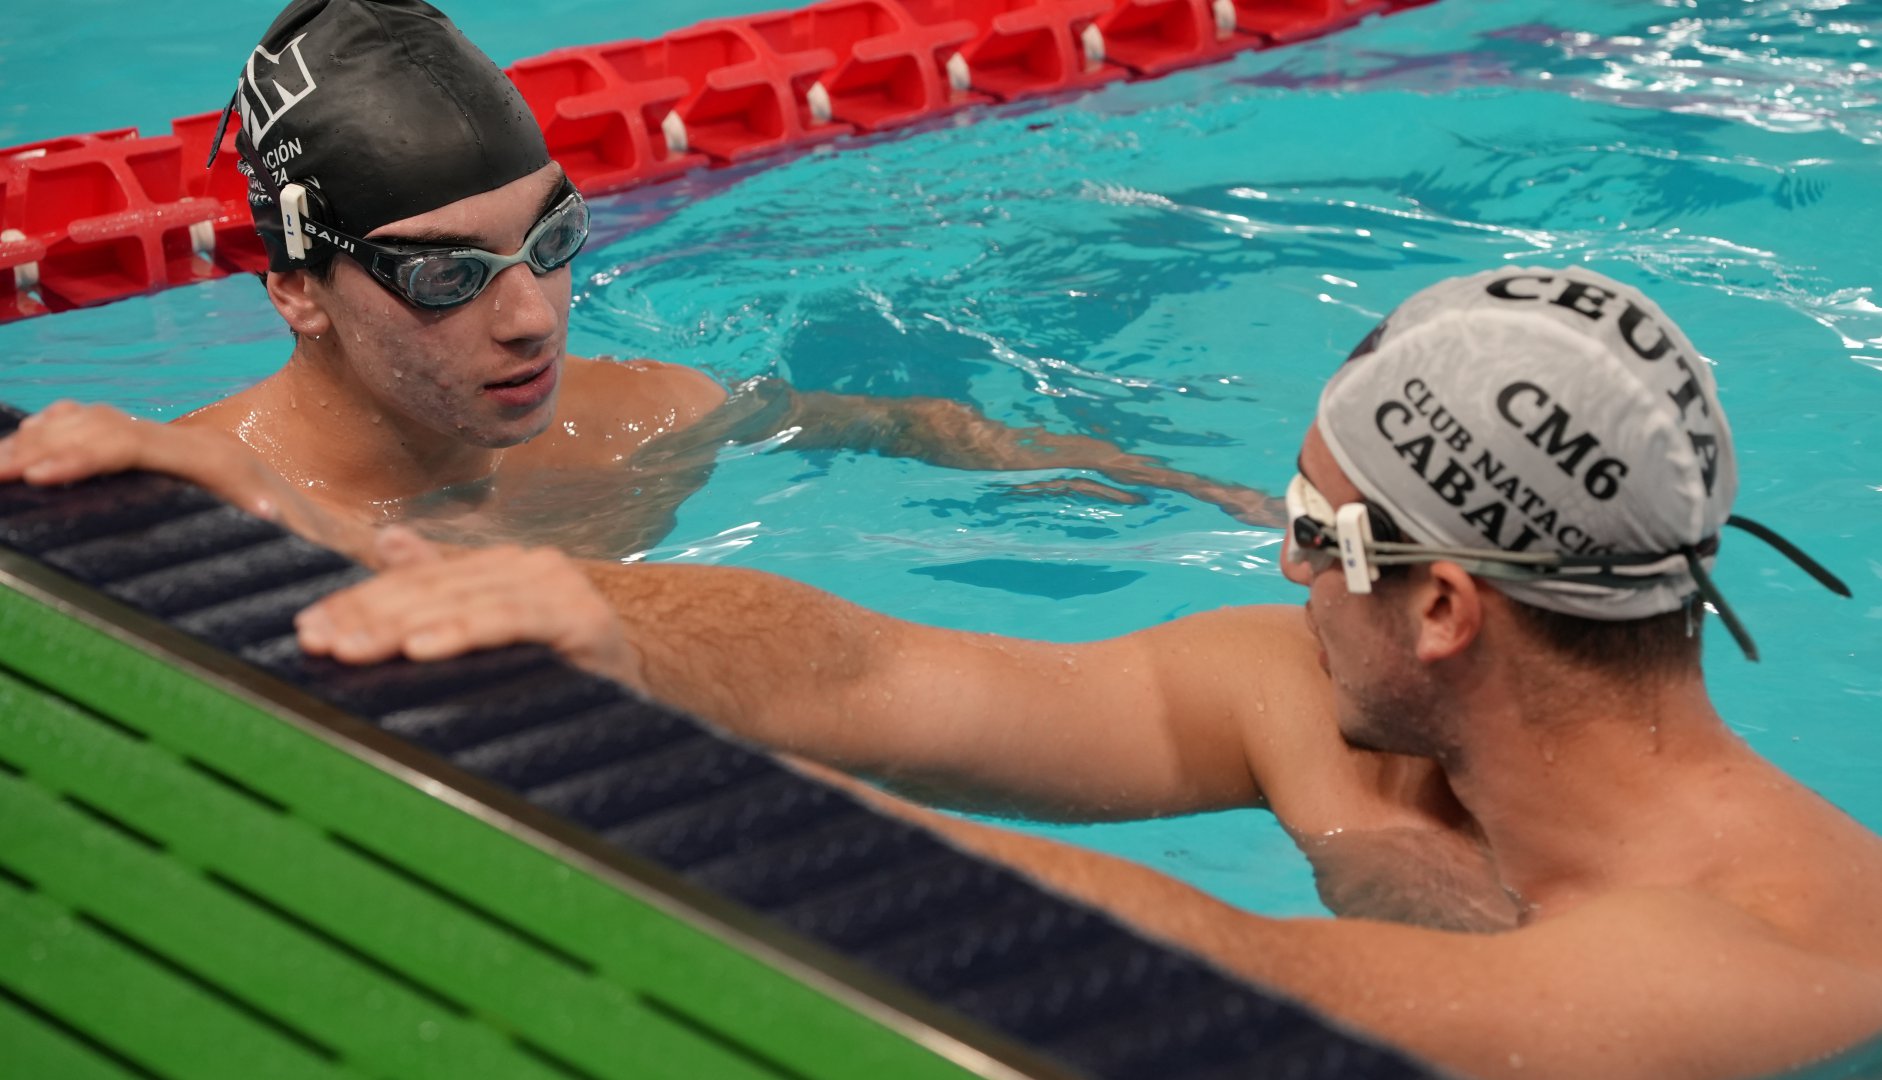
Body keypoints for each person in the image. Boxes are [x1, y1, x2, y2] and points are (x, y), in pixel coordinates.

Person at [274, 267, 1880, 1078]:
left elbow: (1237, 981)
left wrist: (666, 782)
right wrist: (580, 616)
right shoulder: (1353, 722)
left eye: (1311, 531)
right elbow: (879, 673)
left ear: (1444, 609)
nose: (1282, 570)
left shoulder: (1756, 967)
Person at [14, 0, 1276, 562]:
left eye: (551, 238)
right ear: (296, 290)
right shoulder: (187, 513)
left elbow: (886, 422)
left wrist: (1173, 492)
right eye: (446, 274)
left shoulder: (635, 423)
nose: (529, 318)